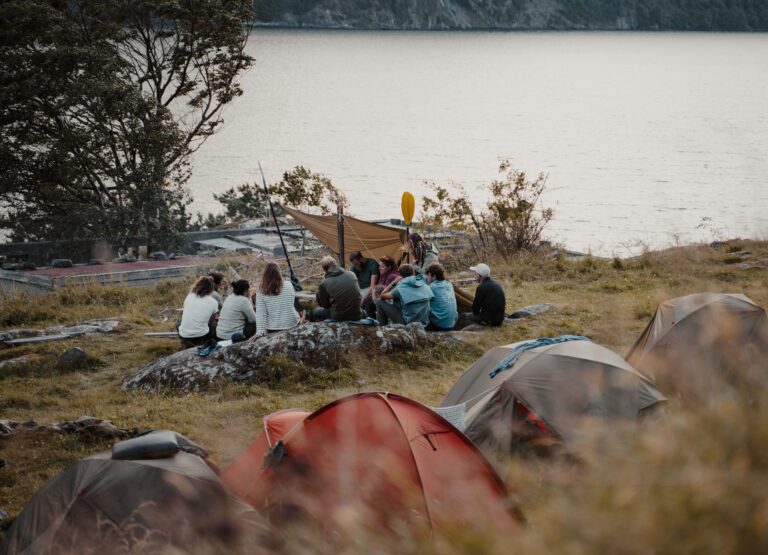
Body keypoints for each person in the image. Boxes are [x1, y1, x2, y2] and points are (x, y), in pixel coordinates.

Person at [310, 256, 363, 322]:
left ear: (324, 269)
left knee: (314, 311)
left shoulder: (324, 283)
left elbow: (325, 306)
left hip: (339, 316)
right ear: (336, 264)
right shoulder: (352, 274)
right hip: (357, 315)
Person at [254, 262, 301, 336]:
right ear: (279, 272)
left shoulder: (261, 291)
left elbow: (261, 313)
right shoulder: (289, 284)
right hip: (293, 323)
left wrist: (259, 333)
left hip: (274, 328)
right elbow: (290, 304)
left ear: (265, 275)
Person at [456, 263, 506, 328]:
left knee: (464, 316)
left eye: (476, 274)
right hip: (499, 320)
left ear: (480, 276)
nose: (475, 275)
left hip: (489, 321)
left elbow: (475, 309)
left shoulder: (481, 287)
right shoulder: (496, 284)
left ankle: (452, 332)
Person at [178, 276, 219, 349]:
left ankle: (186, 343)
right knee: (215, 324)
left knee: (179, 322)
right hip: (201, 335)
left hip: (184, 335)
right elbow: (210, 322)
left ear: (197, 285)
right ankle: (211, 342)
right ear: (211, 288)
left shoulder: (189, 296)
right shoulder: (214, 302)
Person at [425, 262, 458, 331]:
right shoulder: (449, 284)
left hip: (439, 325)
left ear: (434, 276)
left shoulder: (431, 287)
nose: (427, 277)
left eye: (428, 275)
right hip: (452, 323)